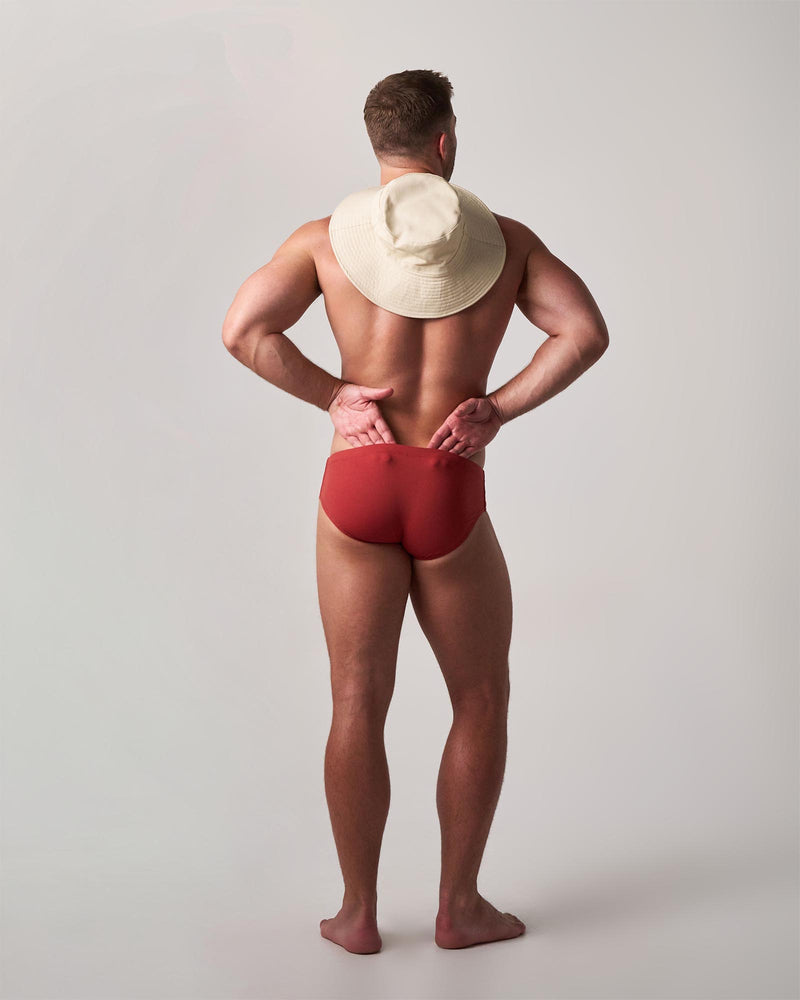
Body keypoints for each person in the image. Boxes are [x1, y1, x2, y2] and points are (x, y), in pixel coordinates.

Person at [222, 69, 609, 955]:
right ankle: (459, 907)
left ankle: (356, 914)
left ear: (379, 146)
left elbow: (244, 328)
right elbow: (584, 331)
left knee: (356, 698)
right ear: (447, 142)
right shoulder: (507, 244)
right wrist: (496, 408)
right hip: (447, 480)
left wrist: (334, 397)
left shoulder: (322, 242)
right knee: (479, 695)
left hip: (357, 482)